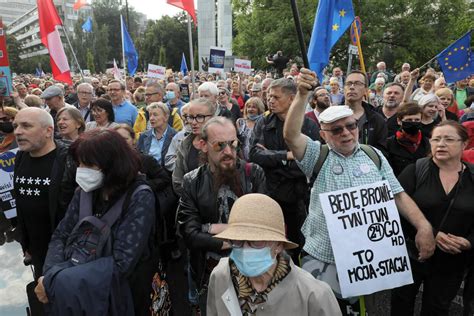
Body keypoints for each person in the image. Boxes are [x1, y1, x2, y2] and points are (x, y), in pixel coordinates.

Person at [283, 68, 435, 313]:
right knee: (322, 310)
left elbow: (396, 194)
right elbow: (291, 135)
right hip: (323, 257)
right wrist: (301, 95)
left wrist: (423, 226)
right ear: (324, 135)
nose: (345, 133)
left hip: (365, 260)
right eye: (336, 130)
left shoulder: (373, 155)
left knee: (361, 310)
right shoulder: (316, 155)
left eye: (350, 126)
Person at [36, 129, 156, 315]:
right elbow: (61, 235)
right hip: (77, 286)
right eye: (80, 164)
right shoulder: (84, 192)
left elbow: (122, 263)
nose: (82, 170)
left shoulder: (139, 196)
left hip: (118, 293)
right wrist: (49, 276)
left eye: (89, 165)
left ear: (112, 165)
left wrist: (58, 281)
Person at [177, 117, 267, 313]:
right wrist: (229, 239)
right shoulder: (192, 181)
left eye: (233, 144)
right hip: (209, 272)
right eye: (220, 145)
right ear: (203, 145)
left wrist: (209, 228)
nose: (228, 152)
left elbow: (262, 226)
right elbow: (189, 233)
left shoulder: (253, 174)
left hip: (251, 269)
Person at [207, 193, 341, 316]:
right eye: (237, 241)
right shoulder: (221, 276)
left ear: (278, 245)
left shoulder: (314, 295)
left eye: (256, 242)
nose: (245, 249)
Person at [391, 120, 474, 315]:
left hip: (453, 260)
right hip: (412, 255)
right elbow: (395, 211)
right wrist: (430, 234)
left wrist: (469, 242)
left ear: (464, 144)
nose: (441, 144)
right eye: (436, 139)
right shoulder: (415, 170)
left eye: (448, 139)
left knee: (437, 308)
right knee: (401, 305)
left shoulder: (472, 177)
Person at [249, 78, 319, 261]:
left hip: (299, 198)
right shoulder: (263, 123)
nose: (270, 100)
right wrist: (286, 156)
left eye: (276, 97)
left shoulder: (309, 125)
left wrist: (273, 160)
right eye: (268, 96)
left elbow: (309, 163)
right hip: (271, 193)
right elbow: (255, 155)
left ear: (291, 99)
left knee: (299, 245)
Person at [13, 107, 77, 281]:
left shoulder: (70, 158)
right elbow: (21, 203)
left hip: (66, 251)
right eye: (16, 126)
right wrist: (25, 241)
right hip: (37, 248)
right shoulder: (20, 157)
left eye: (26, 126)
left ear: (48, 131)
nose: (18, 132)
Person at [172, 98, 216, 196]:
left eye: (200, 117)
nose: (193, 122)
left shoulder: (223, 143)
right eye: (191, 117)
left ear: (212, 118)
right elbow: (177, 181)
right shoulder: (185, 144)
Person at [343, 70, 388, 152]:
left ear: (366, 90)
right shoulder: (332, 117)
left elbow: (382, 151)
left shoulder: (376, 120)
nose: (352, 87)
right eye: (348, 83)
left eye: (357, 83)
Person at [386, 102, 430, 176]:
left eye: (417, 120)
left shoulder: (427, 143)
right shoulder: (389, 144)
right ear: (399, 121)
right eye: (409, 120)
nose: (413, 123)